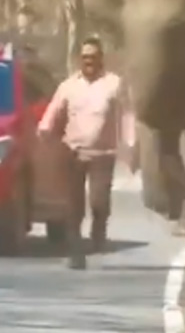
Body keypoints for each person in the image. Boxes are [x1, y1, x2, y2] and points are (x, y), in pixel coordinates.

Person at [37, 37, 137, 270]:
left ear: (101, 58)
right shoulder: (69, 85)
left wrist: (130, 142)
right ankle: (76, 253)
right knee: (73, 205)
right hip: (73, 151)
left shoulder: (114, 84)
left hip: (103, 153)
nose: (89, 61)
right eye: (85, 57)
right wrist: (45, 128)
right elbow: (54, 110)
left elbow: (126, 114)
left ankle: (98, 233)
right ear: (80, 60)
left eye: (93, 57)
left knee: (99, 201)